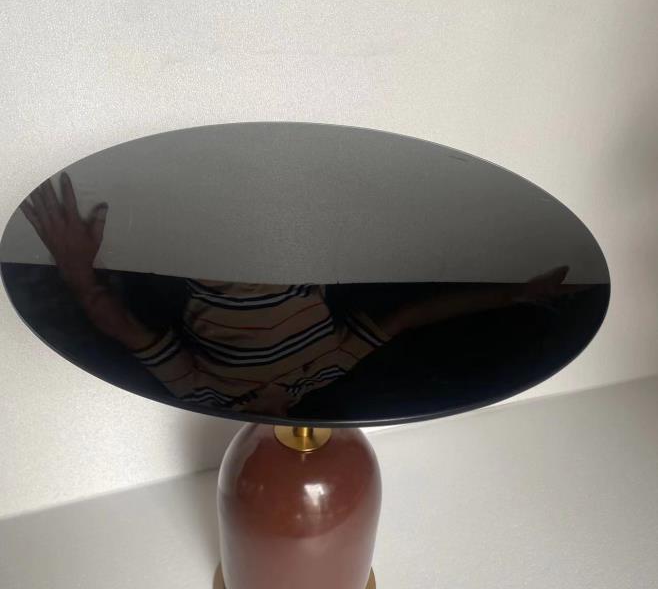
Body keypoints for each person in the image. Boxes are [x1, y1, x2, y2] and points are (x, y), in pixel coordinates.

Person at [21, 173, 574, 417]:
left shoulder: (206, 396)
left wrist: (76, 269)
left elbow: (126, 330)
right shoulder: (322, 375)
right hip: (302, 239)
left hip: (209, 244)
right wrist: (515, 294)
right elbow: (407, 318)